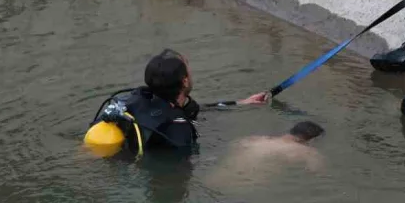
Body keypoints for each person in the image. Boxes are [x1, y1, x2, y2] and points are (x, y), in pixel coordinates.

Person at [85, 48, 269, 155]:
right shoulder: (177, 126)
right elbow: (185, 163)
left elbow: (194, 109)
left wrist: (242, 103)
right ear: (185, 81)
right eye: (188, 69)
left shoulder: (136, 98)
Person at [206, 121, 326, 187]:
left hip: (212, 180)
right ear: (311, 140)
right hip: (242, 190)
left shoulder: (251, 140)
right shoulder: (305, 152)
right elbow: (318, 176)